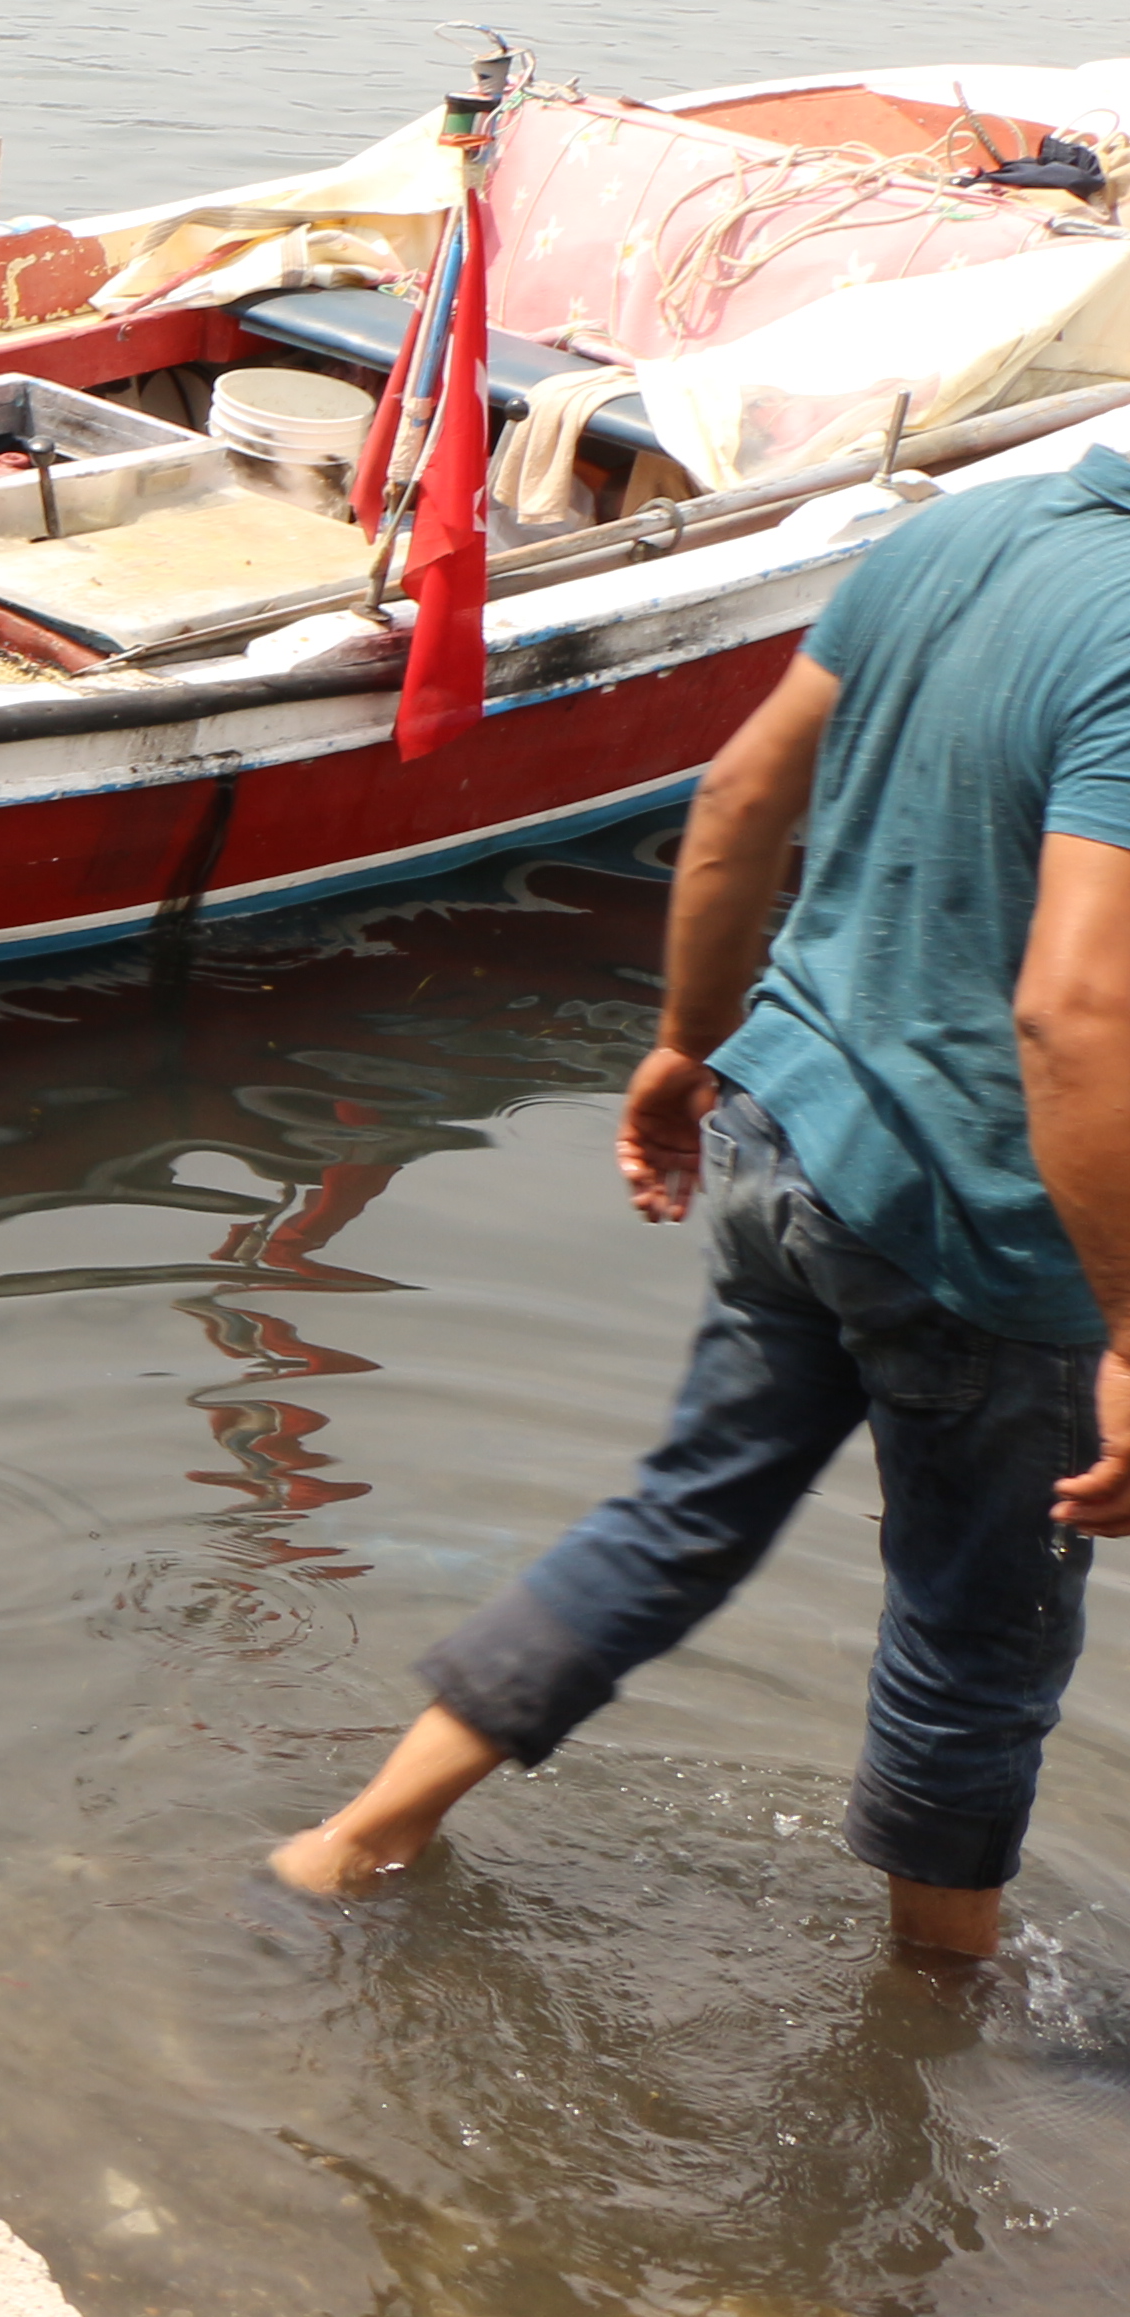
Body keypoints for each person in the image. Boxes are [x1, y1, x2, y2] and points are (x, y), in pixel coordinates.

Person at [272, 464, 1130, 1956]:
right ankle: (936, 2018)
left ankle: (353, 1843)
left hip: (783, 1132)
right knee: (978, 1638)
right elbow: (1072, 1011)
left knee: (681, 1515)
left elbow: (737, 795)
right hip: (985, 1235)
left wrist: (689, 1039)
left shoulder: (962, 530)